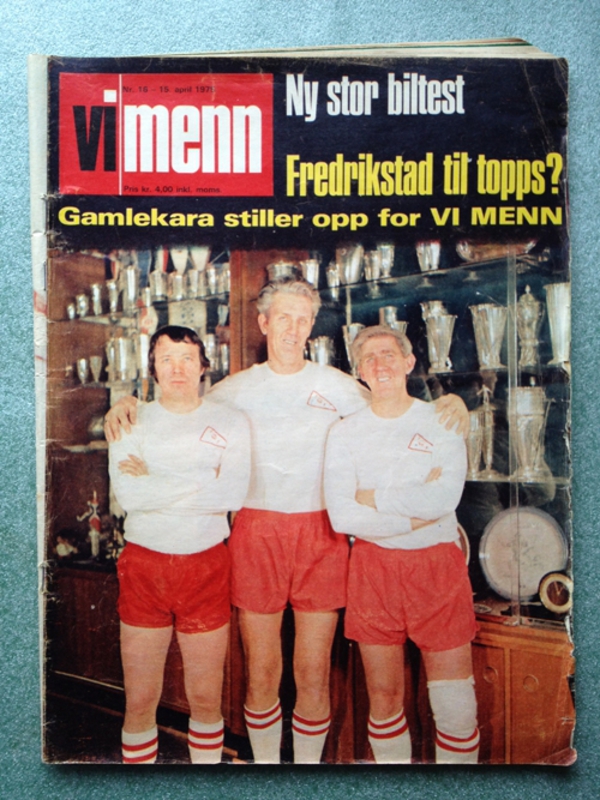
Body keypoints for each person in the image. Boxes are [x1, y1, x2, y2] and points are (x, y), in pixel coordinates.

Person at [105, 277, 468, 764]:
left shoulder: (339, 385)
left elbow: (395, 408)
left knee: (312, 672)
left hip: (322, 532)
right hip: (257, 534)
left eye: (302, 319)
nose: (293, 329)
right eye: (283, 318)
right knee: (262, 672)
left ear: (312, 325)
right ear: (263, 322)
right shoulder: (234, 390)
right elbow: (179, 405)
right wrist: (127, 402)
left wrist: (449, 402)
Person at [324, 325, 478, 764]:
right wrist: (414, 515)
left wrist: (373, 497)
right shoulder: (344, 432)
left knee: (455, 706)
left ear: (409, 362)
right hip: (374, 569)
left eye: (389, 354)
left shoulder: (442, 418)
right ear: (359, 371)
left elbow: (444, 499)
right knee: (385, 699)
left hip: (437, 567)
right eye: (369, 358)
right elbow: (342, 516)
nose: (380, 365)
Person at [108, 325, 250, 764]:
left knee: (205, 699)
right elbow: (131, 496)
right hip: (145, 566)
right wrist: (204, 478)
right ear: (152, 368)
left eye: (187, 358)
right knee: (140, 700)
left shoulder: (230, 422)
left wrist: (156, 478)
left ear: (203, 366)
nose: (177, 368)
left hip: (205, 565)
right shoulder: (130, 418)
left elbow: (232, 494)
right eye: (166, 359)